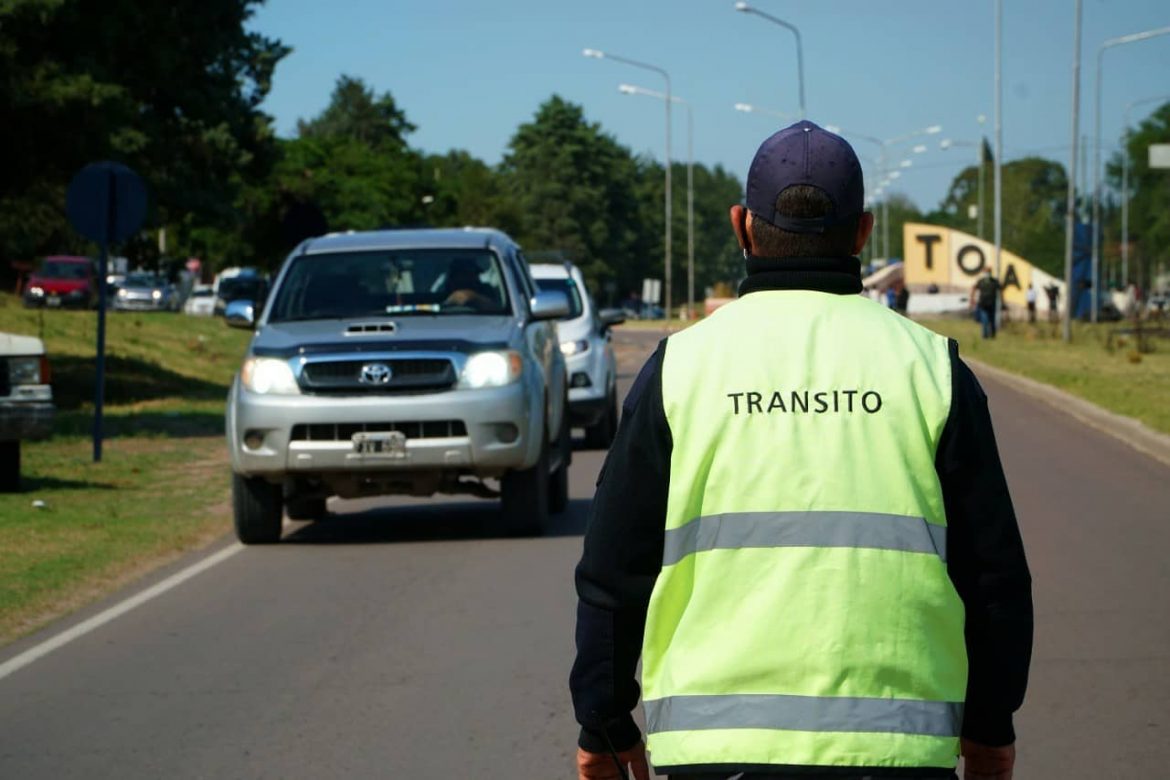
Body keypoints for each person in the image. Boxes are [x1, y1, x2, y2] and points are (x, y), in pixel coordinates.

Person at [571, 121, 1032, 780]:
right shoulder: (929, 369)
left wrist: (605, 727)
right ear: (865, 231)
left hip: (715, 755)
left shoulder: (682, 367)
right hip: (894, 753)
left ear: (742, 226)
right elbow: (995, 581)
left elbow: (614, 573)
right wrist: (989, 730)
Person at [971, 269, 1001, 339]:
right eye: (986, 272)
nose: (987, 274)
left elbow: (1000, 290)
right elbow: (974, 288)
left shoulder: (994, 282)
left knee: (992, 320)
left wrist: (1003, 302)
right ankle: (985, 336)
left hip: (992, 304)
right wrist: (972, 299)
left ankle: (993, 335)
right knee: (985, 320)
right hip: (983, 304)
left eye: (988, 272)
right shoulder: (981, 281)